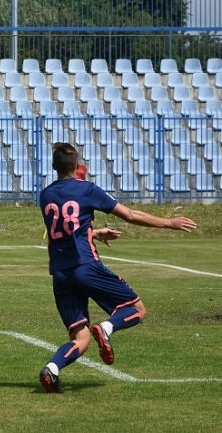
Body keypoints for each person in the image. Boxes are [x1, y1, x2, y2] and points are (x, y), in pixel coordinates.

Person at [38, 142, 197, 393]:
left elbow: (65, 230)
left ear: (53, 167)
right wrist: (168, 223)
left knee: (80, 339)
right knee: (137, 309)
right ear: (77, 166)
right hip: (85, 266)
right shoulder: (87, 190)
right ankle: (107, 327)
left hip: (60, 273)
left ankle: (52, 369)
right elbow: (130, 214)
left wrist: (95, 232)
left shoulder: (45, 195)